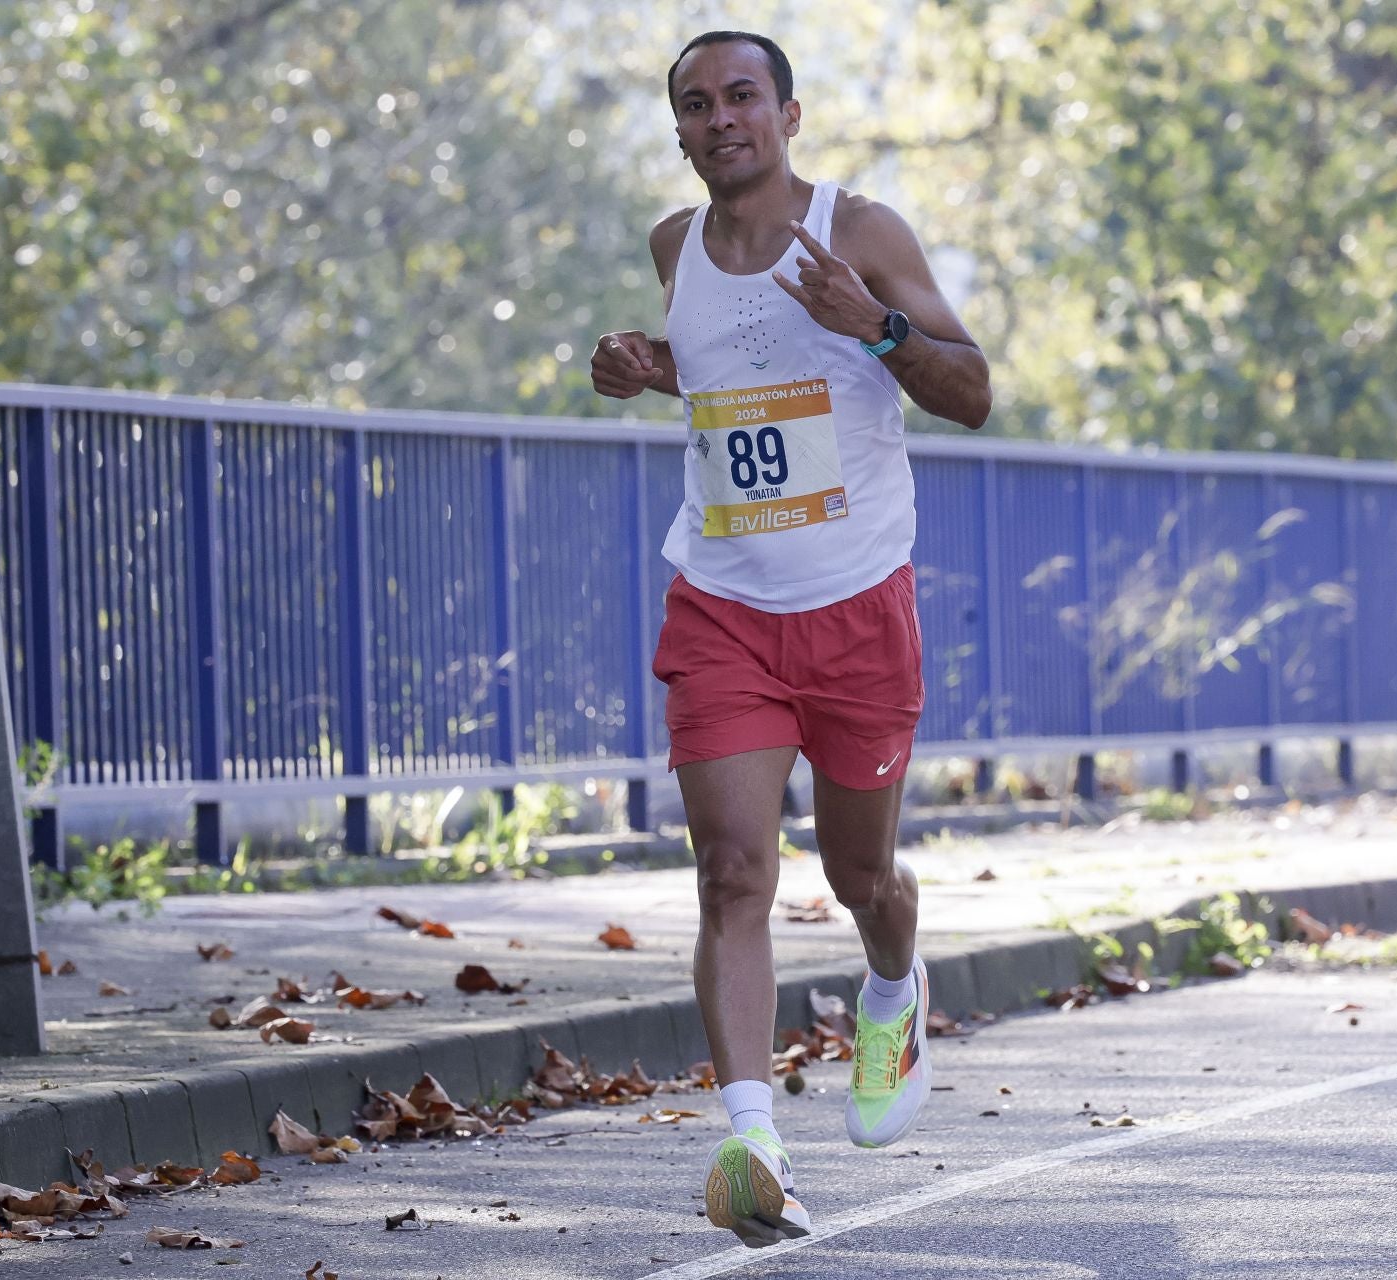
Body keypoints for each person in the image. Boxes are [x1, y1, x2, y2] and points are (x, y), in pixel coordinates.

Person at [591, 29, 991, 1248]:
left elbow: (972, 392)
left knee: (858, 875)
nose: (722, 120)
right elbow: (726, 385)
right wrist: (647, 367)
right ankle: (754, 1138)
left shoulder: (860, 232)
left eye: (743, 97)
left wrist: (873, 326)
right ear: (681, 131)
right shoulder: (675, 246)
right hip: (723, 605)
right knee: (731, 871)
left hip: (860, 606)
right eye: (697, 105)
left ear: (789, 113)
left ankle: (890, 985)